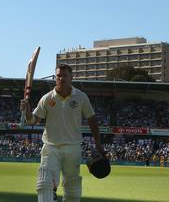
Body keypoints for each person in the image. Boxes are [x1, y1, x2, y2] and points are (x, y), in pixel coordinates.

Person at [20, 64, 105, 202]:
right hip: (51, 147)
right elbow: (33, 121)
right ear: (55, 78)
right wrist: (27, 112)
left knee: (72, 190)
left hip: (73, 147)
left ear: (71, 78)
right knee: (45, 184)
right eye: (58, 76)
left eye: (65, 75)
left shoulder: (80, 97)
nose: (61, 78)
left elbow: (92, 120)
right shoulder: (47, 98)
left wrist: (99, 145)